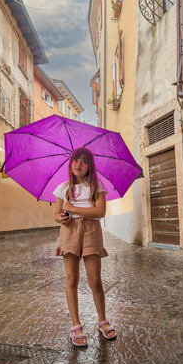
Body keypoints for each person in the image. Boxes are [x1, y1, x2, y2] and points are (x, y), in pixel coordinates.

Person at [53, 147, 116, 347]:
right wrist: (62, 218)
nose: (78, 164)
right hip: (70, 231)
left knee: (95, 280)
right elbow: (56, 214)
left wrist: (72, 208)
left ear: (90, 166)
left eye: (84, 161)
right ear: (70, 164)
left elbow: (100, 212)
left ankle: (102, 320)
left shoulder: (97, 186)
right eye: (75, 160)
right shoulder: (63, 188)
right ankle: (76, 324)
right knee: (71, 279)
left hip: (91, 231)